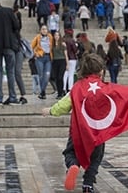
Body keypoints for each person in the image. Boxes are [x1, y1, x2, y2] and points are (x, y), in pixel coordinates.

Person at [42, 53, 107, 193]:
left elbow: (65, 104)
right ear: (101, 71)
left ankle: (73, 165)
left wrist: (51, 111)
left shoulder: (78, 87)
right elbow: (121, 100)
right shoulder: (106, 88)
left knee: (70, 152)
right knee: (96, 157)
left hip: (78, 131)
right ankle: (88, 184)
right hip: (98, 132)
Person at [31, 25, 54, 100]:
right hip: (40, 57)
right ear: (40, 30)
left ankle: (42, 91)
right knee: (41, 75)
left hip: (48, 57)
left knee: (47, 75)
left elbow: (54, 44)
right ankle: (43, 92)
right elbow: (31, 46)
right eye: (43, 29)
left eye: (45, 29)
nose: (44, 30)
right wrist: (35, 53)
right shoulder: (37, 37)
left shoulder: (50, 37)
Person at [51, 31, 68, 98]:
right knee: (56, 78)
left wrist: (67, 64)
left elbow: (66, 54)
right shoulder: (52, 44)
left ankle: (61, 92)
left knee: (60, 77)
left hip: (62, 61)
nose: (56, 36)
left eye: (58, 35)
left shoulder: (63, 44)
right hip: (55, 61)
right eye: (55, 35)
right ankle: (59, 92)